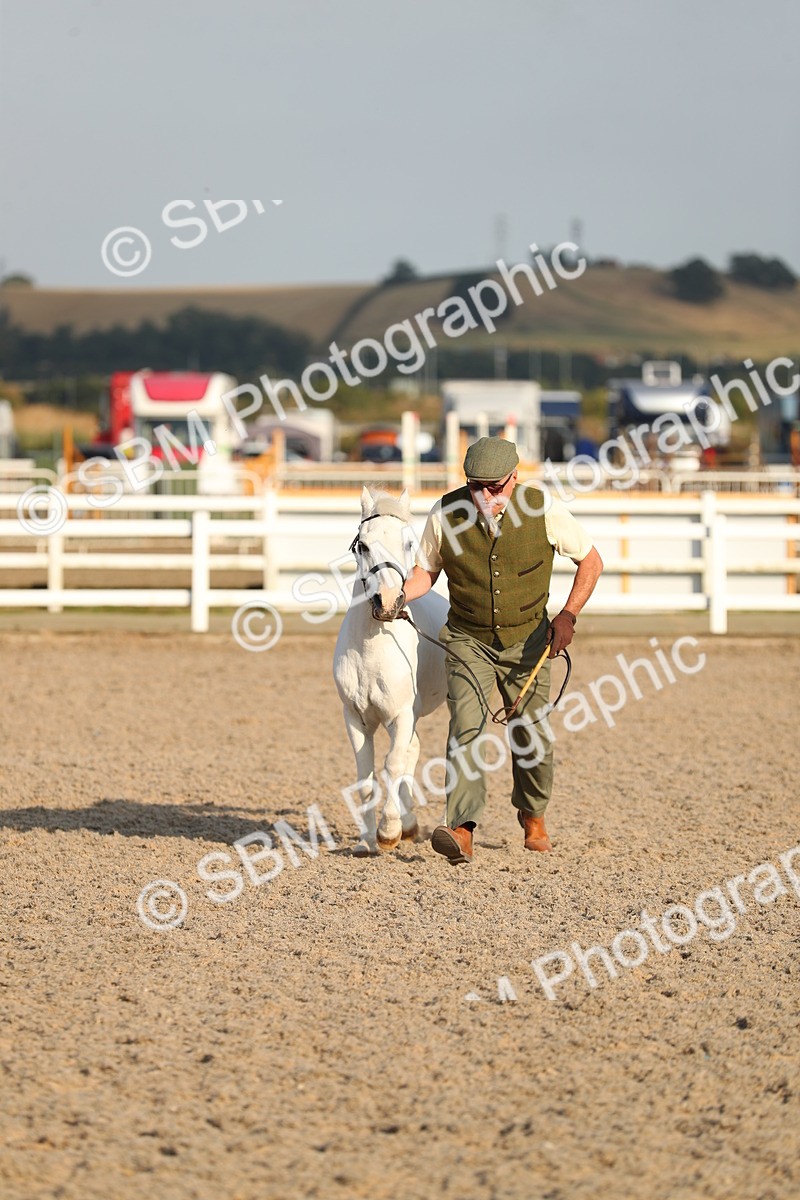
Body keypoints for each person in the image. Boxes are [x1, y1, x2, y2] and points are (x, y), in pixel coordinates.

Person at [398, 436, 603, 864]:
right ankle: (462, 828)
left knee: (532, 734)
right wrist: (398, 597)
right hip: (467, 638)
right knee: (466, 728)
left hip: (528, 641)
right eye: (475, 485)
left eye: (493, 486)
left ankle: (533, 815)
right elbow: (425, 573)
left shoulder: (543, 509)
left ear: (514, 478)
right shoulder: (444, 513)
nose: (483, 495)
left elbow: (591, 561)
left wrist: (568, 615)